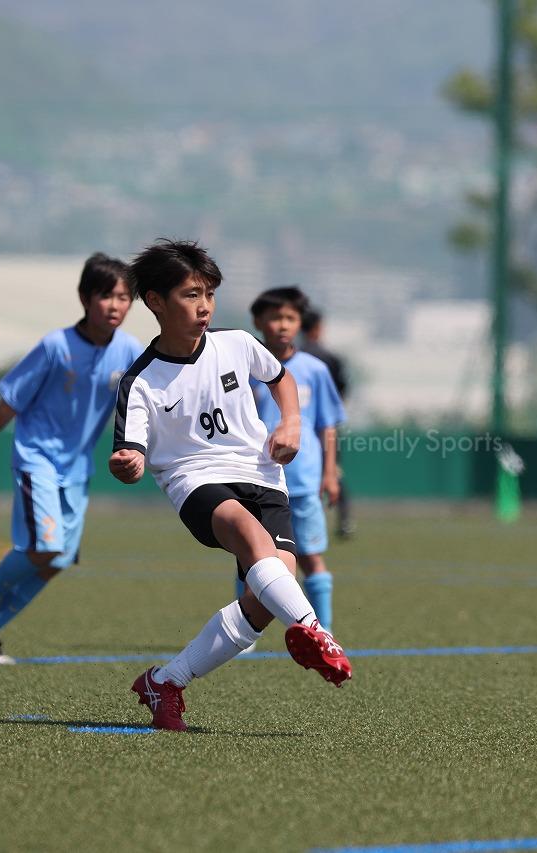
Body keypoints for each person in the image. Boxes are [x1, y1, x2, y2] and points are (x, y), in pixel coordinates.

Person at [111, 239, 351, 732]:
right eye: (191, 295)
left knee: (263, 601)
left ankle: (165, 681)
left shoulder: (237, 343)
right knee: (250, 537)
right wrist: (128, 463)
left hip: (263, 475)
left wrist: (290, 423)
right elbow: (129, 450)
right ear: (155, 301)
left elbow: (281, 378)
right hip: (195, 480)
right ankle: (314, 630)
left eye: (210, 294)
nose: (205, 306)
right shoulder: (140, 381)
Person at [0, 252, 144, 663]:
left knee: (57, 560)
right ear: (85, 298)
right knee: (46, 545)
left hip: (77, 467)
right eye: (106, 295)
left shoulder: (130, 351)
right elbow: (12, 398)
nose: (115, 305)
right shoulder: (56, 346)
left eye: (124, 297)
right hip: (37, 458)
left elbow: (153, 397)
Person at [249, 287, 346, 629]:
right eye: (275, 317)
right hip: (257, 480)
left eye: (290, 318)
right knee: (252, 559)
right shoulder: (246, 368)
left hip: (302, 482)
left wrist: (330, 473)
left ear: (300, 323)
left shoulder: (314, 370)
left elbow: (327, 425)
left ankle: (324, 631)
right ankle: (246, 632)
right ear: (258, 321)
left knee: (310, 557)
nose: (282, 325)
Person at [301, 307, 354, 538]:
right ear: (318, 328)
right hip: (325, 425)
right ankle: (344, 522)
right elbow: (341, 391)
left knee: (302, 473)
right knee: (333, 471)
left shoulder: (294, 356)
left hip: (299, 425)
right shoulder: (330, 358)